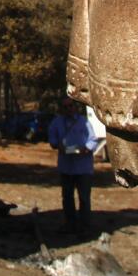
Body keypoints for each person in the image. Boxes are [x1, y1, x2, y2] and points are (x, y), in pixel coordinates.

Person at [48, 95, 103, 232]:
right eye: (65, 107)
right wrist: (57, 145)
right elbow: (52, 140)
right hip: (66, 167)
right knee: (67, 197)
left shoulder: (84, 122)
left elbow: (93, 140)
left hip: (83, 167)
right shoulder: (56, 123)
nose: (68, 109)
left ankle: (85, 225)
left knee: (84, 198)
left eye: (71, 106)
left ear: (75, 107)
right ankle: (69, 224)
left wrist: (86, 149)